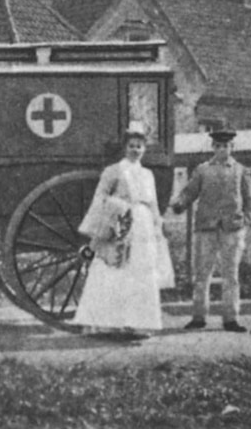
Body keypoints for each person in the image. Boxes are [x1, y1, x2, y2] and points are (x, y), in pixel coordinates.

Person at [73, 126, 170, 340]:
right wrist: (115, 209)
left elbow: (152, 202)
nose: (135, 150)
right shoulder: (113, 171)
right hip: (119, 224)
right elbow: (100, 197)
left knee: (141, 272)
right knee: (113, 269)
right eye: (131, 146)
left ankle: (138, 324)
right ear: (125, 148)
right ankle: (106, 323)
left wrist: (157, 225)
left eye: (139, 146)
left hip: (142, 225)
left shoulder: (147, 174)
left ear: (144, 149)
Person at [171, 130, 251, 333]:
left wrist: (247, 219)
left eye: (225, 146)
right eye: (217, 146)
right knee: (202, 274)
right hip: (206, 228)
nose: (221, 150)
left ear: (231, 148)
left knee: (231, 275)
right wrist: (179, 204)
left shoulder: (241, 171)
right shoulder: (202, 170)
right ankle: (199, 317)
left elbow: (250, 199)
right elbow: (190, 192)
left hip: (232, 229)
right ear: (213, 148)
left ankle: (231, 318)